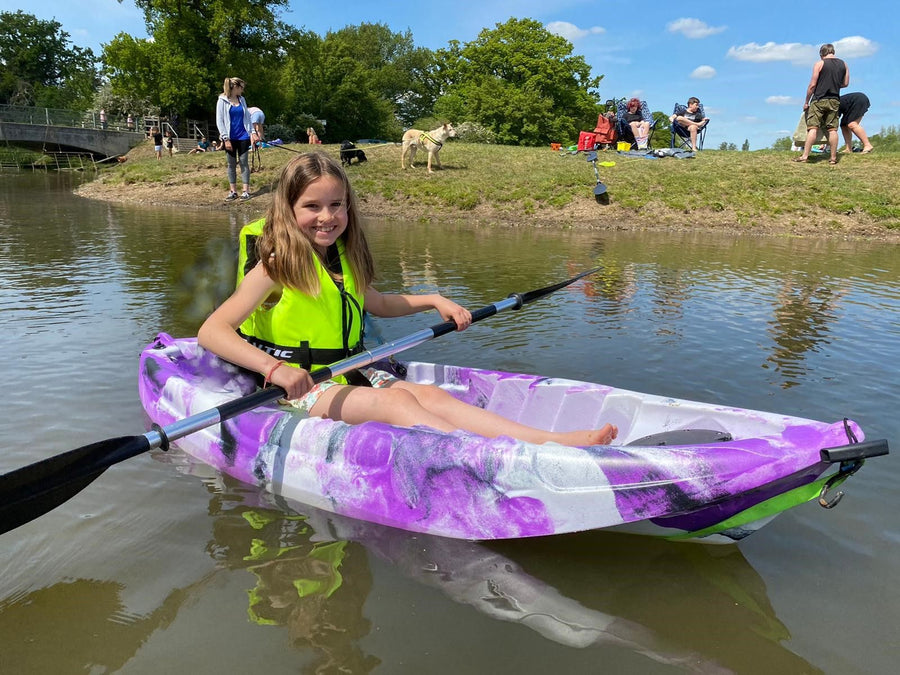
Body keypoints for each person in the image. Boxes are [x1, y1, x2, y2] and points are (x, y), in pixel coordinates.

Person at [197, 152, 618, 447]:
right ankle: (495, 455)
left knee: (433, 397)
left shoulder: (341, 257)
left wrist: (433, 299)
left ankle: (549, 441)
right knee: (397, 401)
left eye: (336, 205)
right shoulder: (276, 266)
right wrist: (277, 370)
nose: (327, 217)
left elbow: (377, 304)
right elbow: (212, 331)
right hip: (298, 386)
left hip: (348, 371)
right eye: (312, 206)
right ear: (288, 209)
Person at [793, 43, 848, 165]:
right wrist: (833, 85)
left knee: (812, 128)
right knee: (832, 129)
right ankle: (833, 158)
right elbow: (845, 83)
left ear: (821, 54)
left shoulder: (820, 64)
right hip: (834, 100)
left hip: (818, 99)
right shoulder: (843, 64)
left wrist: (806, 101)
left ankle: (805, 156)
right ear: (833, 51)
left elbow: (812, 85)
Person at [216, 76, 253, 201]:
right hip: (230, 137)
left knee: (244, 162)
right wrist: (225, 139)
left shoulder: (242, 100)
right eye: (241, 87)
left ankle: (246, 191)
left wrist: (252, 133)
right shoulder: (222, 100)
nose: (243, 90)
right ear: (235, 87)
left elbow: (247, 117)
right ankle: (233, 191)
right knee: (231, 164)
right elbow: (219, 120)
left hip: (243, 136)